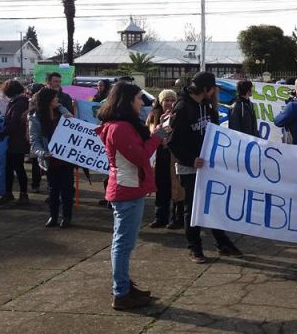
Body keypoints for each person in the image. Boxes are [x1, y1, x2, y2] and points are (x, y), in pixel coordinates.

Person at [96, 82, 167, 310]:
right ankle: (121, 292)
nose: (141, 102)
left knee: (123, 242)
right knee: (124, 244)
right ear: (127, 100)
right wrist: (157, 136)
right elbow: (141, 156)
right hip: (126, 190)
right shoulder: (120, 128)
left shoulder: (120, 125)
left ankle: (124, 286)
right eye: (138, 98)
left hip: (126, 188)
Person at [168, 72, 242, 263]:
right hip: (190, 166)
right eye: (213, 89)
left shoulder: (208, 106)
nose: (215, 92)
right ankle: (195, 248)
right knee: (192, 208)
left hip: (208, 165)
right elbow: (172, 142)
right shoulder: (183, 107)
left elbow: (215, 132)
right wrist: (191, 159)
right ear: (205, 89)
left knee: (214, 204)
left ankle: (222, 243)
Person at [29, 88, 74, 228]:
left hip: (66, 158)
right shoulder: (35, 117)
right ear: (48, 100)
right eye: (55, 98)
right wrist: (43, 153)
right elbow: (34, 140)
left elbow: (73, 123)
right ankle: (53, 216)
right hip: (50, 160)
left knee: (67, 190)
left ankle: (66, 217)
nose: (57, 100)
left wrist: (61, 108)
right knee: (53, 190)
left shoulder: (61, 113)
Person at [146, 89, 185, 229]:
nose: (169, 103)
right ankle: (160, 217)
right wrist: (160, 126)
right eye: (166, 100)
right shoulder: (153, 116)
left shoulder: (179, 116)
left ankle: (177, 218)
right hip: (160, 155)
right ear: (160, 102)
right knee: (161, 186)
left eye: (172, 100)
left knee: (177, 188)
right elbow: (151, 137)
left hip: (174, 156)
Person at [0, 80, 30, 208]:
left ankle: (19, 194)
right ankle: (13, 193)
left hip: (15, 141)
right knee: (13, 168)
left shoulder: (18, 103)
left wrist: (1, 133)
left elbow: (14, 123)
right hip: (16, 141)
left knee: (16, 168)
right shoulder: (19, 102)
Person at [27, 83, 45, 192]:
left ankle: (35, 184)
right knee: (36, 161)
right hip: (38, 135)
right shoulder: (33, 104)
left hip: (37, 135)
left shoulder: (31, 102)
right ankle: (36, 184)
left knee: (36, 161)